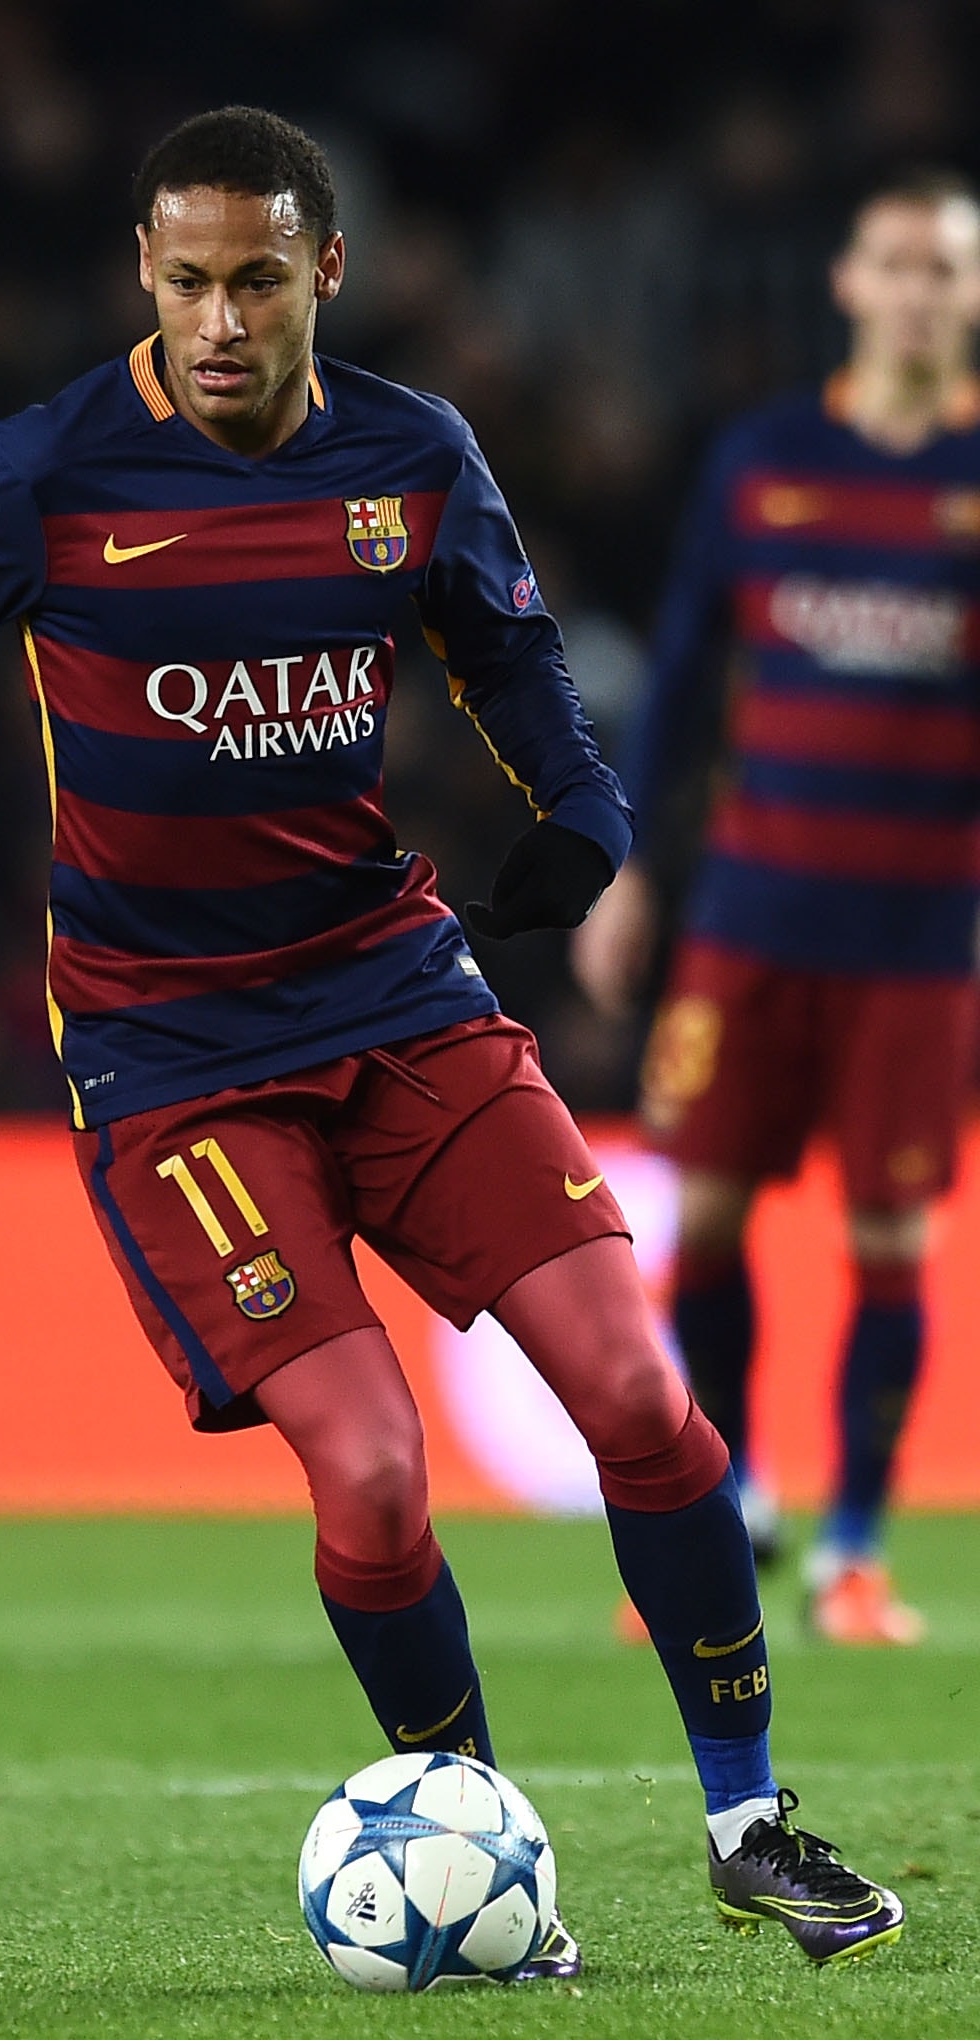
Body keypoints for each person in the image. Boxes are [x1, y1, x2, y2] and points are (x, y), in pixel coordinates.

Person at [0, 106, 903, 1971]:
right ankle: (484, 1851)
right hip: (174, 1061)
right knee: (375, 1474)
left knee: (643, 1399)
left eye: (257, 280)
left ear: (326, 270)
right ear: (145, 275)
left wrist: (584, 812)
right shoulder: (48, 472)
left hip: (401, 1001)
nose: (221, 321)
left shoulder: (413, 454)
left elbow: (513, 654)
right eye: (187, 282)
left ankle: (750, 1823)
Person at [574, 169, 980, 1646]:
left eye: (946, 268)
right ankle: (727, 1515)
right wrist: (626, 866)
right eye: (897, 264)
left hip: (918, 937)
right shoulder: (765, 462)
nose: (919, 291)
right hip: (752, 919)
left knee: (892, 1237)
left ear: (972, 296)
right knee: (710, 1218)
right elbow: (684, 676)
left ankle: (854, 1550)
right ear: (850, 284)